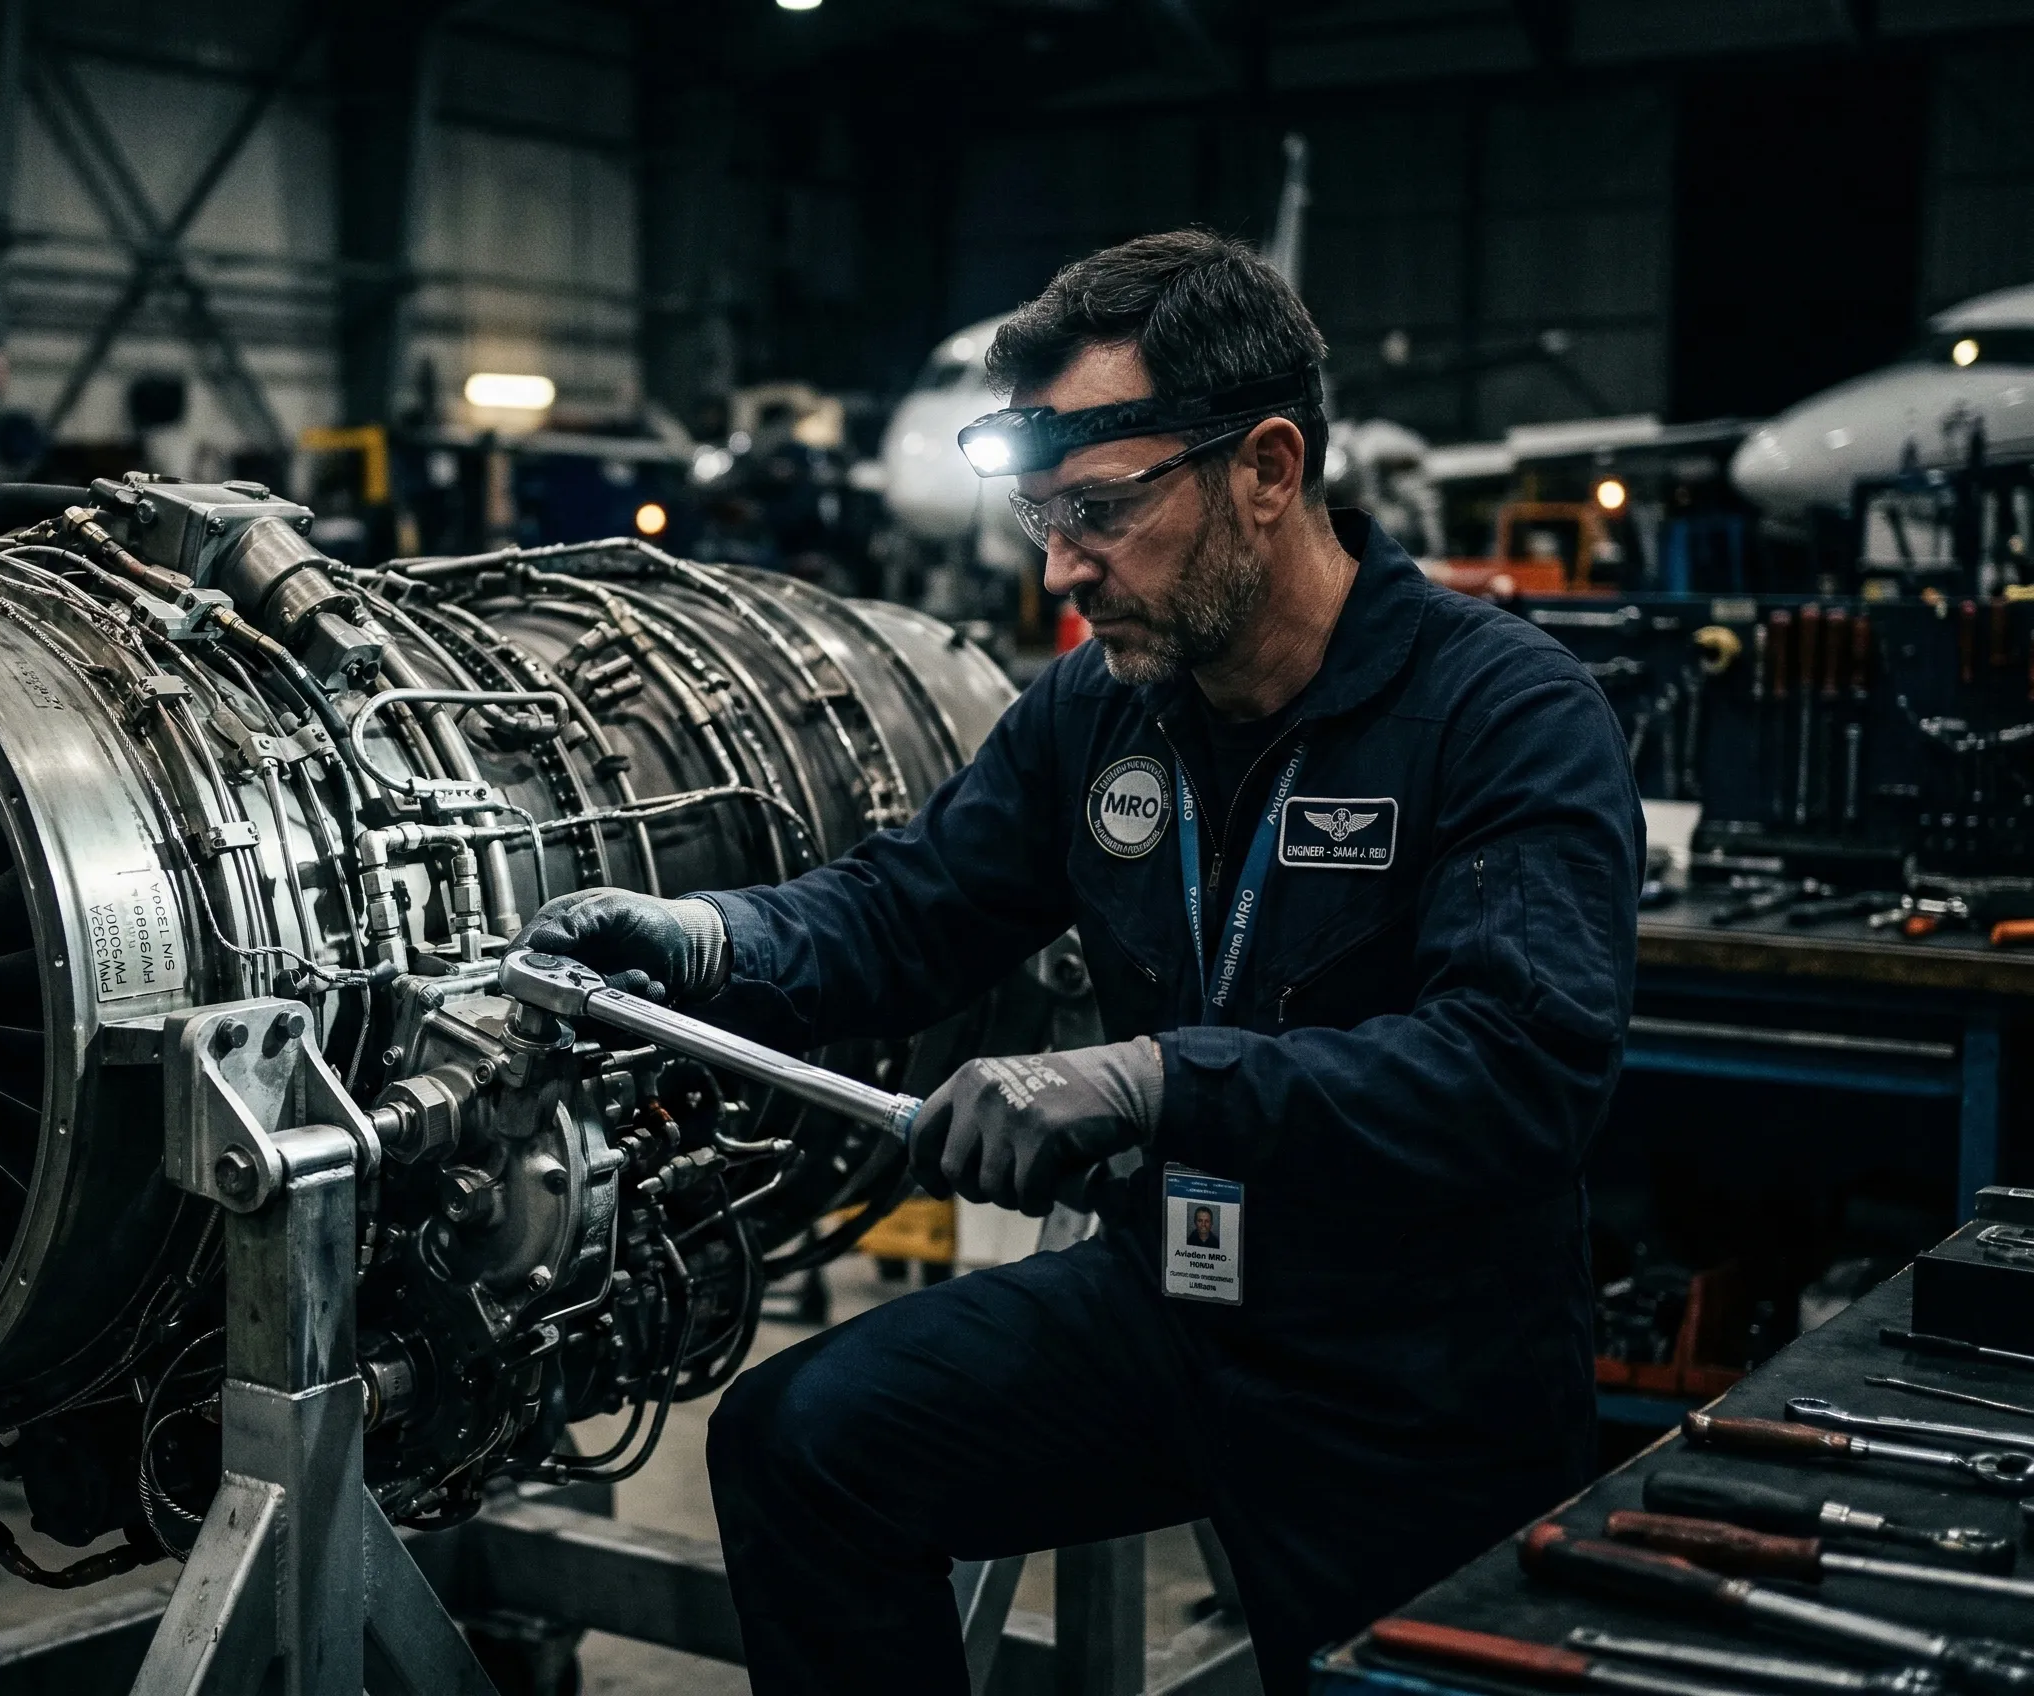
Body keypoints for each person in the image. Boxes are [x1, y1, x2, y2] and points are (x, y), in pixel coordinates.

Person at [521, 226, 1641, 1696]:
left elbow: (1514, 1075)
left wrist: (1152, 1080)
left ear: (1267, 469)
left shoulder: (1501, 714)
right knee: (804, 1445)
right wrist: (716, 937)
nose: (1061, 568)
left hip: (1419, 1369)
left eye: (1101, 512)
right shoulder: (1097, 713)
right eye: (1043, 516)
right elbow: (911, 911)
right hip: (1174, 1304)